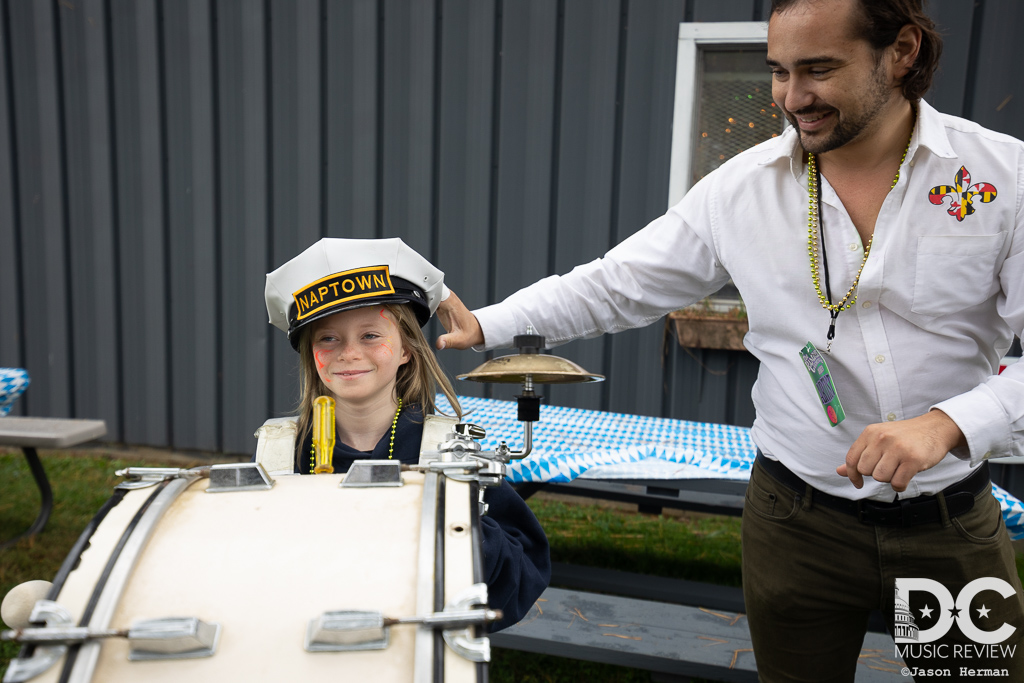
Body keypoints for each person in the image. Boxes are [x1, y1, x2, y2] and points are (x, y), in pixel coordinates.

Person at [434, 0, 1024, 678]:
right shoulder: (741, 190)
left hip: (948, 528)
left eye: (819, 69)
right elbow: (616, 283)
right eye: (778, 71)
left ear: (902, 51)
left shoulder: (1003, 182)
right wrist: (489, 323)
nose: (792, 98)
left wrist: (950, 422)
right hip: (795, 524)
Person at [263, 237, 550, 632]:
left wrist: (460, 526)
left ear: (406, 350)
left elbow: (522, 575)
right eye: (328, 338)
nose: (349, 352)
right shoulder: (279, 455)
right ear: (311, 353)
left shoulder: (447, 453)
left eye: (370, 335)